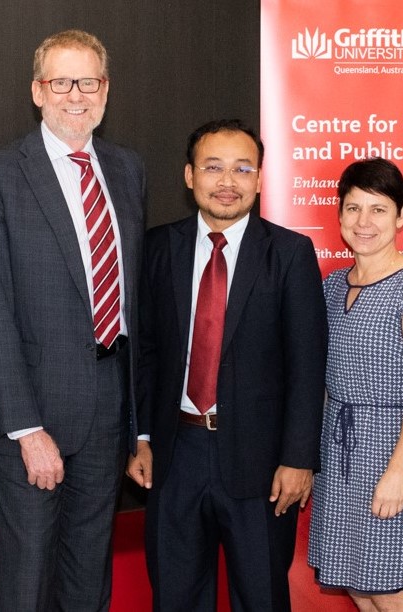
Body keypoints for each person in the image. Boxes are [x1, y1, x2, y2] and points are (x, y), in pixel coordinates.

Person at [0, 29, 145, 611]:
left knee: (89, 573)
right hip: (35, 415)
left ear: (106, 90)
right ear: (38, 91)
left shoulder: (127, 170)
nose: (76, 95)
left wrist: (137, 425)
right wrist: (22, 426)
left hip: (108, 407)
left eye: (88, 82)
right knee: (26, 579)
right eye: (62, 82)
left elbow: (133, 303)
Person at [126, 119, 327, 611]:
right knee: (175, 596)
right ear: (190, 175)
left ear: (259, 179)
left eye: (242, 169)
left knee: (260, 597)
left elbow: (307, 365)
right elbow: (145, 355)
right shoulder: (157, 248)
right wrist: (142, 437)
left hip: (260, 465)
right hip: (176, 455)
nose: (227, 182)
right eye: (213, 168)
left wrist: (299, 458)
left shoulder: (290, 253)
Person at [307, 157, 403, 610]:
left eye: (378, 209)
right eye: (353, 208)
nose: (363, 222)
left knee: (394, 597)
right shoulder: (332, 286)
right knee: (358, 587)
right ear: (339, 214)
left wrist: (397, 472)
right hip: (340, 453)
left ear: (401, 216)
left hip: (394, 453)